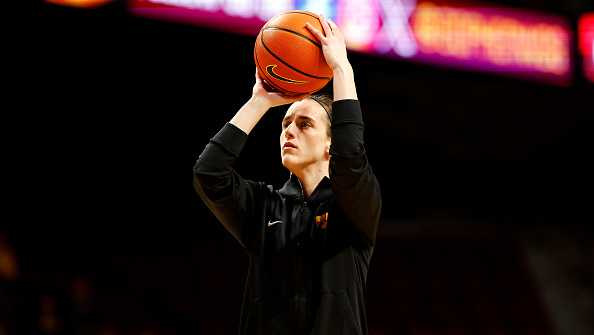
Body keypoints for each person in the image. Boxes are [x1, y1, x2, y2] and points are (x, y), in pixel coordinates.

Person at [193, 15, 381, 335]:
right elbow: (209, 173)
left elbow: (350, 158)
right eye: (285, 124)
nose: (289, 130)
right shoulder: (265, 206)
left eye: (304, 124)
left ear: (330, 144)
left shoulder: (353, 206)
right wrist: (260, 101)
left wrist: (341, 70)